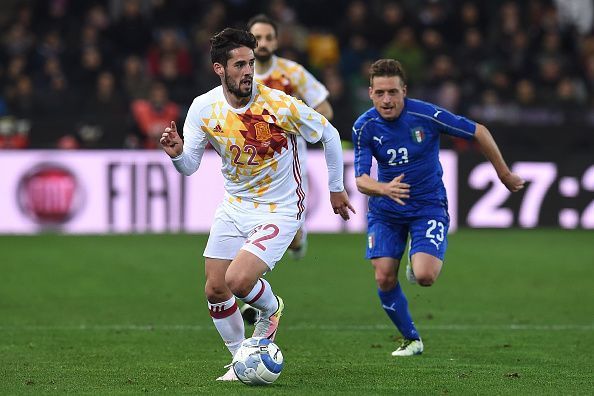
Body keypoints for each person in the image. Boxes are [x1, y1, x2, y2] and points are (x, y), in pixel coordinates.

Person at [160, 28, 354, 381]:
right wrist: (176, 155)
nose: (248, 71)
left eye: (250, 63)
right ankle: (241, 359)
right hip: (235, 205)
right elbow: (189, 166)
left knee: (238, 280)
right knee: (214, 287)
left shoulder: (278, 104)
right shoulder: (204, 108)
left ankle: (271, 307)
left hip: (279, 209)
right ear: (220, 69)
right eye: (239, 64)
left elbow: (327, 134)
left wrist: (336, 188)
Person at [352, 59, 525, 357]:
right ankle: (412, 339)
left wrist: (504, 174)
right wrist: (384, 189)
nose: (387, 100)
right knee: (383, 276)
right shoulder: (364, 126)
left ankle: (416, 259)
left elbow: (478, 131)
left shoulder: (426, 115)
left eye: (393, 92)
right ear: (370, 93)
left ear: (404, 90)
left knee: (425, 277)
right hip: (386, 211)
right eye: (380, 93)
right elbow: (361, 179)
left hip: (427, 206)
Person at [247, 14, 334, 260]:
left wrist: (301, 126)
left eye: (268, 38)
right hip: (249, 162)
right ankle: (251, 289)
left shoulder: (292, 72)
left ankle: (299, 240)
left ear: (276, 41)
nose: (263, 43)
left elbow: (325, 108)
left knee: (291, 237)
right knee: (247, 229)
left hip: (289, 163)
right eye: (257, 38)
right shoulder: (240, 73)